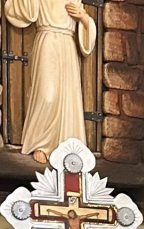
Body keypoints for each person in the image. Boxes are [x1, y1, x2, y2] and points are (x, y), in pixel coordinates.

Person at [4, 0, 96, 164]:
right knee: (47, 95)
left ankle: (66, 145)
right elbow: (27, 13)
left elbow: (87, 34)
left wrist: (83, 18)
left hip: (68, 44)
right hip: (47, 40)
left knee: (69, 95)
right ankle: (41, 144)